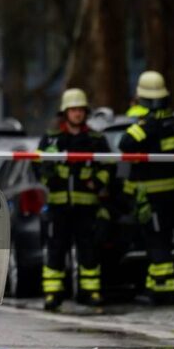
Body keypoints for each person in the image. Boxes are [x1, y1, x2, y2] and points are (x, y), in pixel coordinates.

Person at [37, 89, 111, 311]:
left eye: (80, 110)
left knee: (88, 250)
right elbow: (36, 166)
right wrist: (48, 176)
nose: (77, 114)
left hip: (86, 206)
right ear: (65, 112)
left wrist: (96, 183)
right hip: (59, 206)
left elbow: (108, 167)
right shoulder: (51, 139)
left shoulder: (96, 140)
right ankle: (53, 294)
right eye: (73, 110)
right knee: (56, 250)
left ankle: (91, 292)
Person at [118, 71, 174, 305]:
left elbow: (125, 143)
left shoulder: (151, 124)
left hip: (154, 194)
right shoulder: (170, 121)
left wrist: (139, 123)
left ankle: (163, 290)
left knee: (157, 243)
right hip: (168, 193)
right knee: (160, 241)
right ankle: (157, 286)